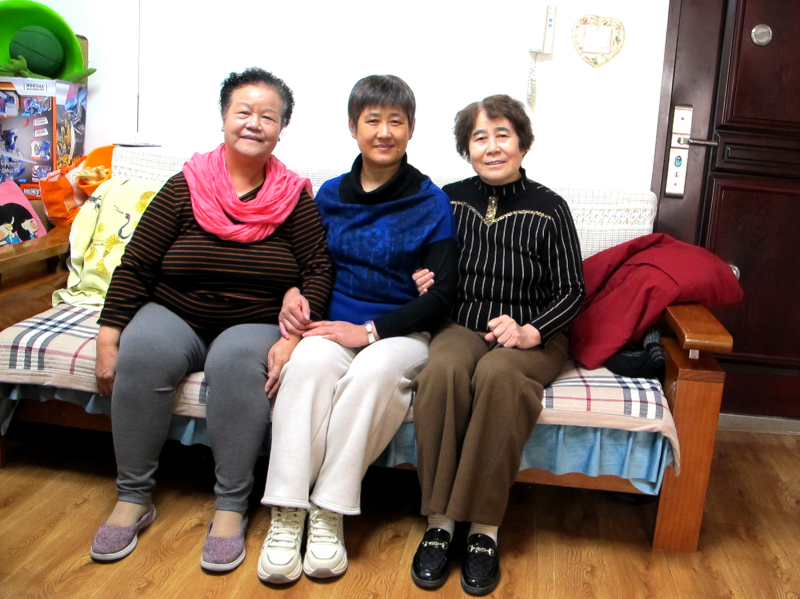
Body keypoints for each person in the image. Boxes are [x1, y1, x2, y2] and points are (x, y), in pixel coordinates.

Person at [89, 68, 333, 572]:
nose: (254, 123)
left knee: (236, 363)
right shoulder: (185, 185)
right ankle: (133, 496)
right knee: (144, 349)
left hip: (254, 320)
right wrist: (108, 339)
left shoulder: (294, 198)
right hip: (174, 310)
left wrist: (294, 334)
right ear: (224, 118)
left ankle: (230, 507)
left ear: (281, 130)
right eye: (243, 112)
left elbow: (318, 270)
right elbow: (137, 264)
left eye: (268, 116)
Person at [257, 74, 458, 584]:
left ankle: (329, 511)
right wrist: (294, 306)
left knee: (371, 374)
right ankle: (287, 511)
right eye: (373, 120)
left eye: (396, 121)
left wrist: (368, 332)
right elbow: (308, 263)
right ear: (353, 127)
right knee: (307, 366)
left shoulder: (430, 201)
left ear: (411, 129)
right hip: (332, 323)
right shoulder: (330, 195)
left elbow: (440, 297)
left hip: (400, 333)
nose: (384, 132)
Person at [409, 94, 585, 596]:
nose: (491, 147)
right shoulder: (447, 199)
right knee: (441, 372)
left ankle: (483, 530)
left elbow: (573, 291)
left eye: (502, 135)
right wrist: (420, 278)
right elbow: (423, 260)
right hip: (461, 324)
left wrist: (531, 331)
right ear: (466, 149)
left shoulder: (551, 208)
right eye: (479, 137)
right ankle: (439, 523)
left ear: (522, 143)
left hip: (533, 335)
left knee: (499, 375)